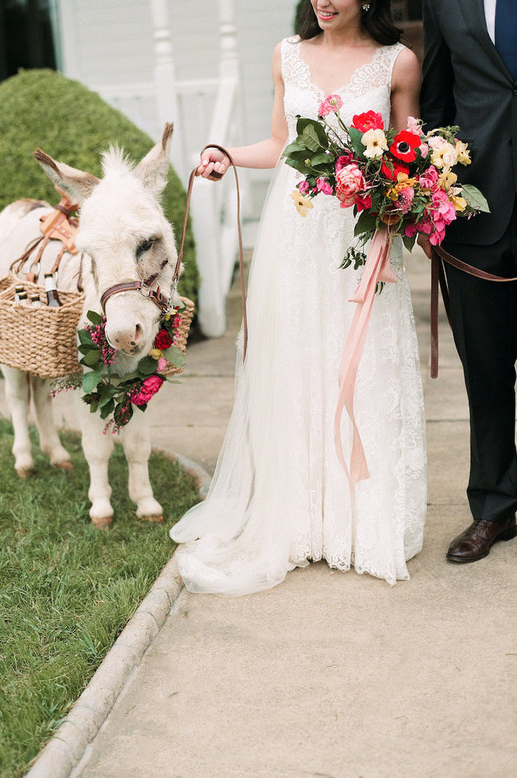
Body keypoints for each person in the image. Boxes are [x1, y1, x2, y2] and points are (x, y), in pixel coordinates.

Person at [170, 0, 426, 596]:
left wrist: (406, 201)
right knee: (296, 366)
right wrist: (228, 154)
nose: (323, 1)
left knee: (364, 371)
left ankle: (363, 524)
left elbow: (410, 154)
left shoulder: (399, 63)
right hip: (295, 236)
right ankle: (302, 518)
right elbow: (283, 145)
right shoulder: (286, 55)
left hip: (360, 241)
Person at [420, 0, 517, 563]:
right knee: (485, 369)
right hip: (476, 214)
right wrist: (435, 198)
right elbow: (436, 101)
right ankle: (493, 510)